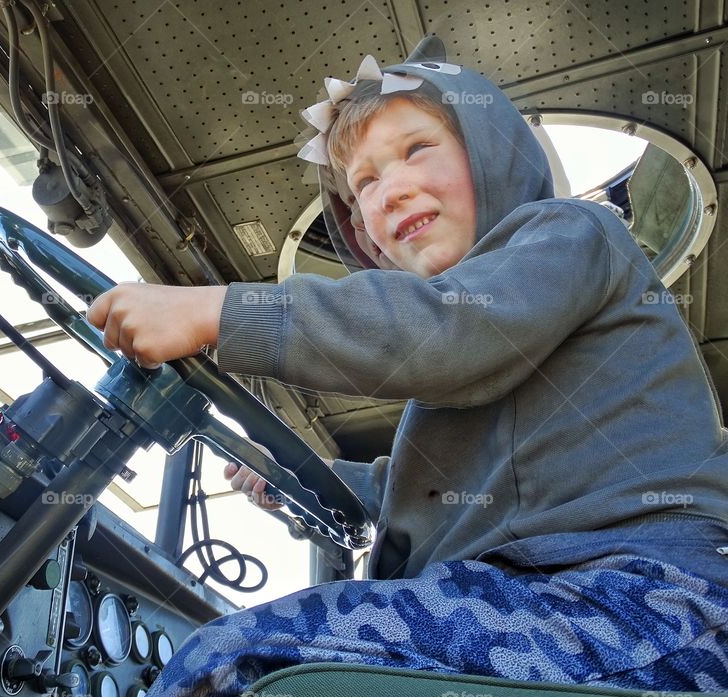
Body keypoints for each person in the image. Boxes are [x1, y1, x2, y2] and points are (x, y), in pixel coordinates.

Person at [87, 36, 728, 696]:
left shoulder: (570, 236)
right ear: (360, 230)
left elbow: (451, 330)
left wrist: (221, 313)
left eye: (417, 149)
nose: (390, 190)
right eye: (364, 181)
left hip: (648, 603)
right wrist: (307, 478)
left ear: (493, 155)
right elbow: (440, 489)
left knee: (232, 658)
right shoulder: (477, 353)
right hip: (538, 596)